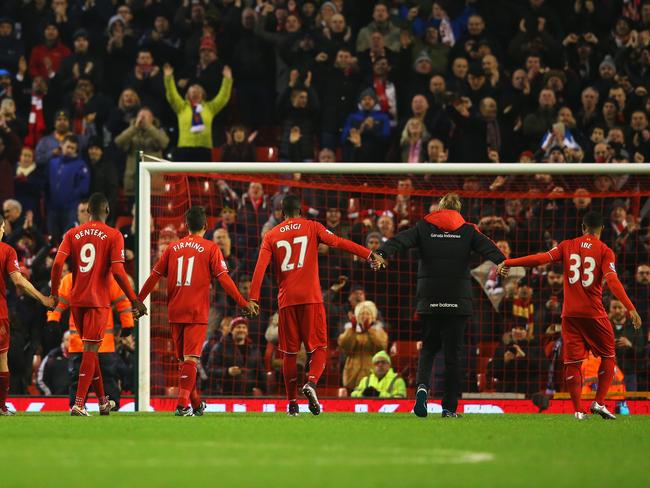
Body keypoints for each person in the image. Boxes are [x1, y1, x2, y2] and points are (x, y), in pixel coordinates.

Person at [498, 211, 642, 420]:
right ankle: (599, 403)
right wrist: (631, 308)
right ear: (601, 229)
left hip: (570, 314)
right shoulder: (605, 251)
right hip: (594, 313)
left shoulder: (567, 245)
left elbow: (540, 260)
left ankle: (577, 410)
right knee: (609, 355)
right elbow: (613, 282)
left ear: (583, 228)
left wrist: (509, 262)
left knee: (572, 363)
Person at [249, 194, 384, 416]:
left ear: (282, 213)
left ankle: (292, 403)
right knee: (319, 347)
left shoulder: (271, 235)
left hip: (286, 300)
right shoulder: (312, 226)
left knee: (290, 354)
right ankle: (311, 383)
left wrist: (253, 298)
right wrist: (368, 254)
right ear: (300, 211)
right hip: (311, 298)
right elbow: (340, 242)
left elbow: (259, 268)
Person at [376, 193, 506, 418]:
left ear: (439, 209)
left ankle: (422, 389)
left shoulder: (424, 227)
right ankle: (448, 408)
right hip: (458, 300)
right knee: (453, 356)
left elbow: (400, 240)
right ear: (458, 210)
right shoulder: (468, 231)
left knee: (428, 348)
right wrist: (503, 261)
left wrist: (381, 253)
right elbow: (489, 248)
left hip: (430, 299)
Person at [138, 206, 259, 416]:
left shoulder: (172, 247)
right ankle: (182, 405)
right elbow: (224, 280)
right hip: (196, 311)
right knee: (191, 360)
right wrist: (243, 302)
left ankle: (195, 405)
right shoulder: (211, 248)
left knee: (184, 363)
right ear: (205, 226)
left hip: (175, 310)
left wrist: (138, 300)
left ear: (186, 226)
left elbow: (154, 276)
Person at [50, 193, 146, 416]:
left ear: (88, 212)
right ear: (108, 210)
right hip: (97, 302)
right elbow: (119, 272)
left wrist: (54, 293)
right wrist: (135, 300)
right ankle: (80, 404)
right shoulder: (114, 235)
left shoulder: (72, 233)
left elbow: (57, 265)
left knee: (89, 351)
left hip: (77, 301)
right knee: (91, 351)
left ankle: (103, 401)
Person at [0, 218, 54, 415]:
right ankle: (1, 406)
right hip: (0, 314)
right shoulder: (6, 250)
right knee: (2, 360)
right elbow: (18, 281)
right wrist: (42, 298)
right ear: (2, 228)